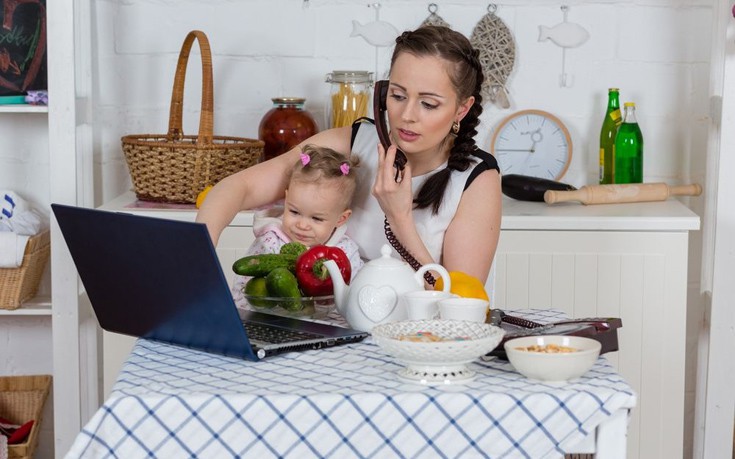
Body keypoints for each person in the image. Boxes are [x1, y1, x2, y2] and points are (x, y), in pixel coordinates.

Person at [198, 25, 501, 286]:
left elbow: (459, 306)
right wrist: (199, 258)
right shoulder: (352, 143)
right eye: (397, 96)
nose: (407, 115)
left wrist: (399, 218)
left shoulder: (476, 179)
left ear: (462, 108)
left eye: (429, 104)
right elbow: (239, 187)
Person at [231, 145, 363, 304]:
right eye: (294, 212)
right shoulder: (270, 242)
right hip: (272, 320)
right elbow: (241, 288)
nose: (302, 225)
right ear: (286, 200)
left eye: (316, 218)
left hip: (329, 324)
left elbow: (358, 295)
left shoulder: (346, 251)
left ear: (341, 219)